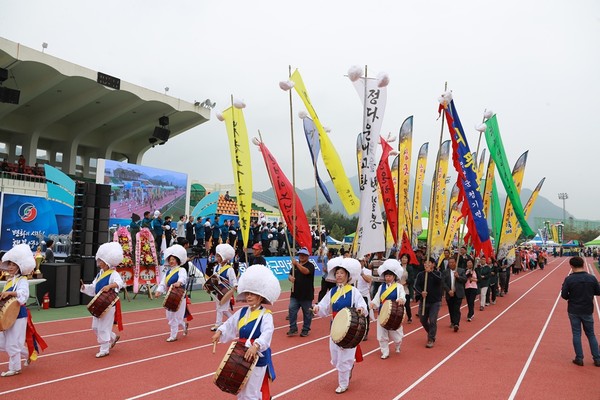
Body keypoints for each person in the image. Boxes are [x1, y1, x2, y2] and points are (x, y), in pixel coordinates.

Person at [212, 264, 281, 399]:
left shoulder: (266, 315)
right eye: (247, 293)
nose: (249, 297)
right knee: (241, 389)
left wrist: (256, 346)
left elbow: (267, 333)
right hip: (241, 355)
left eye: (253, 294)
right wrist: (219, 332)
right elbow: (229, 325)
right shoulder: (242, 312)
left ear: (261, 297)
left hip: (256, 357)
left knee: (251, 393)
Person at [313, 257, 367, 394]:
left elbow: (362, 305)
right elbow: (324, 307)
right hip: (335, 328)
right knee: (336, 357)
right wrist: (317, 308)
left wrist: (361, 309)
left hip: (349, 328)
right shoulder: (332, 292)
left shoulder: (354, 291)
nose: (338, 275)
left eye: (342, 273)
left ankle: (343, 383)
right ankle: (347, 367)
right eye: (337, 273)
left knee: (344, 358)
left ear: (347, 276)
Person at [0, 244, 47, 377]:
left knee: (12, 342)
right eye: (9, 264)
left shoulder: (22, 280)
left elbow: (23, 295)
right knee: (4, 342)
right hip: (8, 315)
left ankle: (15, 368)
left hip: (18, 315)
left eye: (13, 265)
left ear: (19, 266)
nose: (10, 267)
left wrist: (11, 294)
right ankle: (29, 353)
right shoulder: (10, 281)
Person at [80, 242, 124, 358]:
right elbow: (94, 287)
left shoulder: (113, 273)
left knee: (103, 327)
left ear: (107, 262)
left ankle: (104, 349)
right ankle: (113, 337)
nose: (99, 263)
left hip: (109, 304)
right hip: (99, 303)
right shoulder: (100, 273)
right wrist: (85, 288)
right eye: (99, 261)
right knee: (95, 327)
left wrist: (110, 286)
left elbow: (120, 283)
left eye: (101, 261)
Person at [560, 256, 600, 367]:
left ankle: (579, 358)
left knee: (576, 334)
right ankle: (597, 358)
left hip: (574, 309)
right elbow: (598, 291)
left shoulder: (569, 279)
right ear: (582, 264)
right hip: (587, 309)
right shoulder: (591, 278)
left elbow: (564, 295)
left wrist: (570, 296)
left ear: (571, 266)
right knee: (591, 334)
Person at [154, 244, 192, 342]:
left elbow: (183, 279)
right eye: (170, 259)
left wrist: (179, 282)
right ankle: (184, 325)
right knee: (169, 316)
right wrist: (159, 291)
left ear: (178, 260)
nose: (171, 261)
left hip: (180, 296)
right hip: (169, 296)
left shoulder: (181, 269)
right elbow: (163, 283)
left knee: (176, 317)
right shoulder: (167, 272)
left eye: (173, 259)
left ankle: (173, 335)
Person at [370, 259, 405, 359]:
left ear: (394, 276)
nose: (387, 278)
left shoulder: (398, 287)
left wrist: (401, 299)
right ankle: (385, 351)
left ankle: (398, 345)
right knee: (382, 335)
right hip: (383, 313)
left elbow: (402, 296)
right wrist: (373, 304)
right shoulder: (381, 287)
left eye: (389, 276)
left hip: (394, 314)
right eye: (386, 276)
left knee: (397, 337)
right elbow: (377, 298)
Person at [414, 256, 443, 348]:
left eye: (429, 263)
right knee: (423, 319)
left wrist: (430, 273)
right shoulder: (420, 275)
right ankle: (431, 332)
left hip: (435, 301)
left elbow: (440, 281)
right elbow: (416, 286)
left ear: (433, 264)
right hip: (424, 301)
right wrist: (421, 292)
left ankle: (431, 338)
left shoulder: (438, 273)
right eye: (425, 263)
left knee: (433, 320)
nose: (426, 264)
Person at [287, 247, 315, 337]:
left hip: (306, 295)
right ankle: (293, 328)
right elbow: (290, 274)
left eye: (304, 255)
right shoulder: (294, 266)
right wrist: (290, 278)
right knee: (292, 310)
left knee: (307, 314)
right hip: (295, 294)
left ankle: (306, 329)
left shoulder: (310, 265)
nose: (301, 256)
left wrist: (297, 264)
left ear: (308, 256)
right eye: (300, 254)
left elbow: (306, 272)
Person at [210, 243, 237, 331]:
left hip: (226, 291)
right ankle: (222, 323)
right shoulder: (216, 268)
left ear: (224, 257)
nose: (217, 258)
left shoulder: (229, 269)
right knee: (220, 308)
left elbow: (233, 280)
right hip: (218, 291)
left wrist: (234, 287)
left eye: (219, 256)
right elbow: (213, 279)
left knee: (222, 309)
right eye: (217, 256)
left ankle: (230, 322)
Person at [441, 257, 467, 332]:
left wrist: (458, 276)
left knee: (456, 308)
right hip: (449, 293)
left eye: (453, 262)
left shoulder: (461, 270)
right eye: (450, 263)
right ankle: (452, 321)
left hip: (458, 293)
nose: (451, 264)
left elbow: (464, 280)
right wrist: (449, 291)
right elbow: (443, 282)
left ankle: (456, 324)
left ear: (456, 262)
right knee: (451, 308)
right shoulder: (445, 272)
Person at [357, 257, 373, 340]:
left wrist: (362, 273)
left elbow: (369, 280)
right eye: (358, 261)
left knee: (365, 315)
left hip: (364, 295)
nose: (360, 262)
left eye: (361, 261)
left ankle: (365, 331)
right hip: (356, 295)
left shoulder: (367, 271)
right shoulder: (354, 271)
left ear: (364, 261)